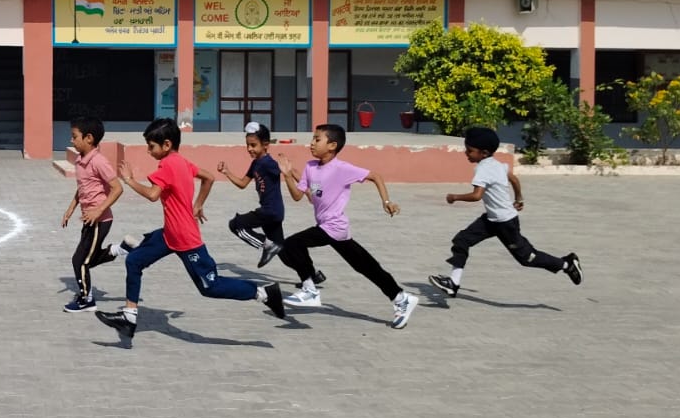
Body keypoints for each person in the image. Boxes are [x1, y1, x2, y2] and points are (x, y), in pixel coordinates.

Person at [95, 118, 287, 345]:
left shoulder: (167, 165)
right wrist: (198, 204)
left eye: (151, 146)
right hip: (170, 235)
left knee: (211, 287)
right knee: (134, 261)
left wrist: (129, 180)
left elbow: (153, 195)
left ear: (167, 145)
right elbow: (209, 177)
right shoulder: (182, 161)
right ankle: (129, 317)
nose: (149, 151)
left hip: (185, 238)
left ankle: (263, 293)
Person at [278, 123, 421, 329]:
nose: (312, 143)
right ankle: (401, 297)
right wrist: (287, 175)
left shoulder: (342, 169)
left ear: (332, 146)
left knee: (292, 243)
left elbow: (375, 176)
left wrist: (386, 202)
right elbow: (297, 196)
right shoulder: (310, 167)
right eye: (312, 139)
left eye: (317, 139)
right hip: (329, 227)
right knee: (365, 266)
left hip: (334, 226)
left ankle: (309, 289)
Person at [428, 126, 582, 298]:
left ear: (484, 153)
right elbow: (514, 180)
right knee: (462, 240)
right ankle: (453, 283)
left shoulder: (483, 169)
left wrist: (455, 197)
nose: (466, 153)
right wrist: (519, 198)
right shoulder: (498, 164)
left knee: (527, 258)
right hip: (491, 220)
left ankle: (567, 264)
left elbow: (477, 196)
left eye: (470, 150)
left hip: (506, 223)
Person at [61, 116, 123, 312]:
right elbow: (83, 187)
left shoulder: (98, 161)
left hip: (100, 220)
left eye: (74, 136)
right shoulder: (80, 160)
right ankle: (116, 250)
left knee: (80, 261)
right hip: (89, 219)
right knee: (88, 258)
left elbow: (117, 188)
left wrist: (98, 210)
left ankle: (86, 299)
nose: (71, 140)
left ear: (89, 138)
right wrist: (71, 208)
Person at [217, 121, 286, 270]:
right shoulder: (256, 163)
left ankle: (267, 245)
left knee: (236, 224)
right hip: (274, 212)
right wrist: (227, 172)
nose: (249, 149)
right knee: (282, 249)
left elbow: (287, 171)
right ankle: (311, 275)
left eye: (253, 145)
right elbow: (242, 183)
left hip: (270, 211)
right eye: (247, 145)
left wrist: (305, 185)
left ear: (265, 145)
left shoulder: (269, 163)